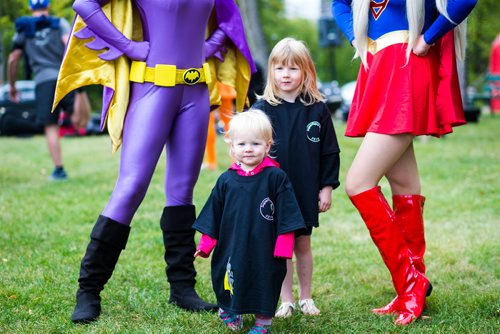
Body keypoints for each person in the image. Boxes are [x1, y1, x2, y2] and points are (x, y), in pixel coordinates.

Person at [53, 0, 255, 323]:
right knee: (131, 187)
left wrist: (210, 46)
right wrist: (128, 46)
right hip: (151, 88)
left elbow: (230, 22)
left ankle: (182, 287)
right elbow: (84, 4)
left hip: (195, 92)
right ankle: (88, 289)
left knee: (182, 190)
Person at [332, 0, 477, 325]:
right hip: (379, 65)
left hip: (407, 64)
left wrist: (429, 37)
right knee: (404, 185)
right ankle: (411, 287)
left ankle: (411, 282)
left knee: (358, 183)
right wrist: (356, 39)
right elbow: (339, 3)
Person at [193, 109, 307, 334]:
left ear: (267, 145)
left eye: (255, 144)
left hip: (265, 246)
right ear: (232, 147)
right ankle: (230, 310)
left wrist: (283, 246)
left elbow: (287, 215)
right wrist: (206, 244)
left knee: (265, 279)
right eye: (241, 144)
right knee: (230, 276)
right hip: (232, 245)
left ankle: (262, 321)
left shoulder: (276, 177)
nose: (248, 149)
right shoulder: (226, 180)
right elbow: (213, 214)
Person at [252, 37, 341, 318]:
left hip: (303, 191)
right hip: (272, 193)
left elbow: (330, 152)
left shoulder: (317, 109)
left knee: (302, 245)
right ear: (271, 71)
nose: (286, 74)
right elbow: (248, 150)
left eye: (293, 68)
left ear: (306, 71)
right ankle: (286, 300)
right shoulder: (262, 110)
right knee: (281, 247)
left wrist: (326, 187)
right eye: (279, 68)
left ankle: (305, 298)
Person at [7, 0, 74, 181]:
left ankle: (59, 170)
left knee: (50, 125)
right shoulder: (59, 23)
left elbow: (13, 59)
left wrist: (12, 86)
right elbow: (69, 44)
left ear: (30, 7)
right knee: (79, 119)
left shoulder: (23, 27)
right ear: (48, 6)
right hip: (65, 77)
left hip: (43, 80)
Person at [203, 81, 236, 170]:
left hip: (209, 85)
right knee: (229, 122)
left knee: (208, 122)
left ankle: (211, 161)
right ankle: (236, 160)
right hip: (224, 84)